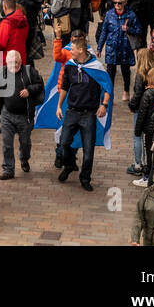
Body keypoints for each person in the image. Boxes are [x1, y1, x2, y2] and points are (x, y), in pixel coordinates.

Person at [56, 31, 108, 192]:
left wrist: (104, 104)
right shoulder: (71, 66)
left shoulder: (96, 67)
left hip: (88, 113)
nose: (70, 51)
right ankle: (70, 165)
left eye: (72, 49)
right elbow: (65, 87)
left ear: (81, 50)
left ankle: (85, 177)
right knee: (63, 143)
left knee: (88, 150)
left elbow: (107, 86)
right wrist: (59, 105)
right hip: (72, 111)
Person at [0, 49, 43, 179]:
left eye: (17, 62)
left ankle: (24, 158)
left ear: (21, 61)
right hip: (7, 114)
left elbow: (40, 84)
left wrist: (29, 90)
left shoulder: (29, 71)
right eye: (11, 63)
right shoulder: (3, 73)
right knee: (7, 143)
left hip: (25, 116)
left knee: (25, 143)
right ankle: (8, 169)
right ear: (6, 62)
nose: (14, 65)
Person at [95, 0, 137, 100]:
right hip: (112, 47)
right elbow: (104, 31)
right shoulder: (109, 14)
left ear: (124, 3)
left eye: (120, 3)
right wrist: (99, 48)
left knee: (125, 71)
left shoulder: (130, 15)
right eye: (115, 3)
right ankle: (109, 94)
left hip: (125, 47)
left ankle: (126, 91)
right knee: (110, 72)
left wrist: (128, 29)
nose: (117, 5)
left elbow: (139, 29)